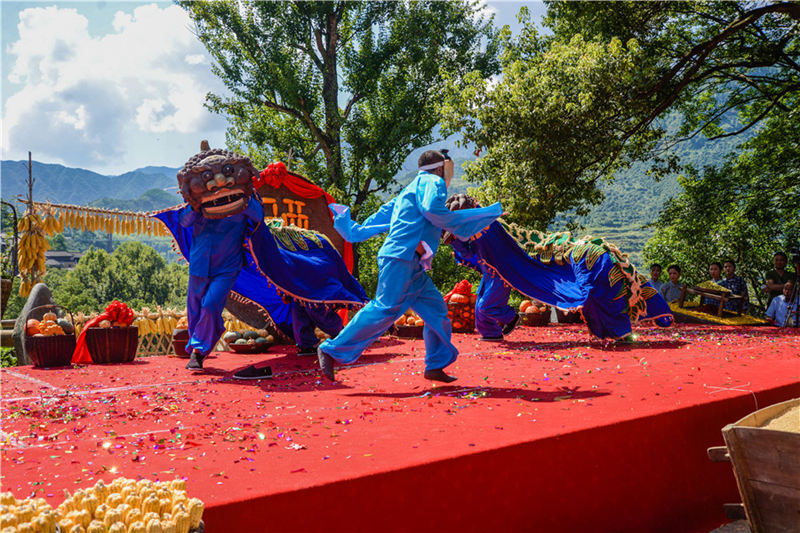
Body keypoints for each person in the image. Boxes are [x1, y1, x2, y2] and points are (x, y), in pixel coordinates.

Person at [317, 149, 503, 383]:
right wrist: (484, 214)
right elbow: (433, 211)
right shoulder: (432, 181)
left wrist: (349, 227)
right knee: (384, 309)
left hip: (408, 262)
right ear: (439, 169)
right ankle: (331, 349)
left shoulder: (408, 191)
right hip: (401, 258)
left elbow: (368, 226)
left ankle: (435, 365)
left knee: (436, 310)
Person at [445, 194, 673, 340]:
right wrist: (453, 237)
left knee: (485, 306)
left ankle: (619, 331)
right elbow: (469, 251)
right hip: (499, 265)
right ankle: (497, 326)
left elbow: (500, 256)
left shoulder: (488, 228)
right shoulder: (480, 228)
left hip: (507, 264)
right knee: (484, 305)